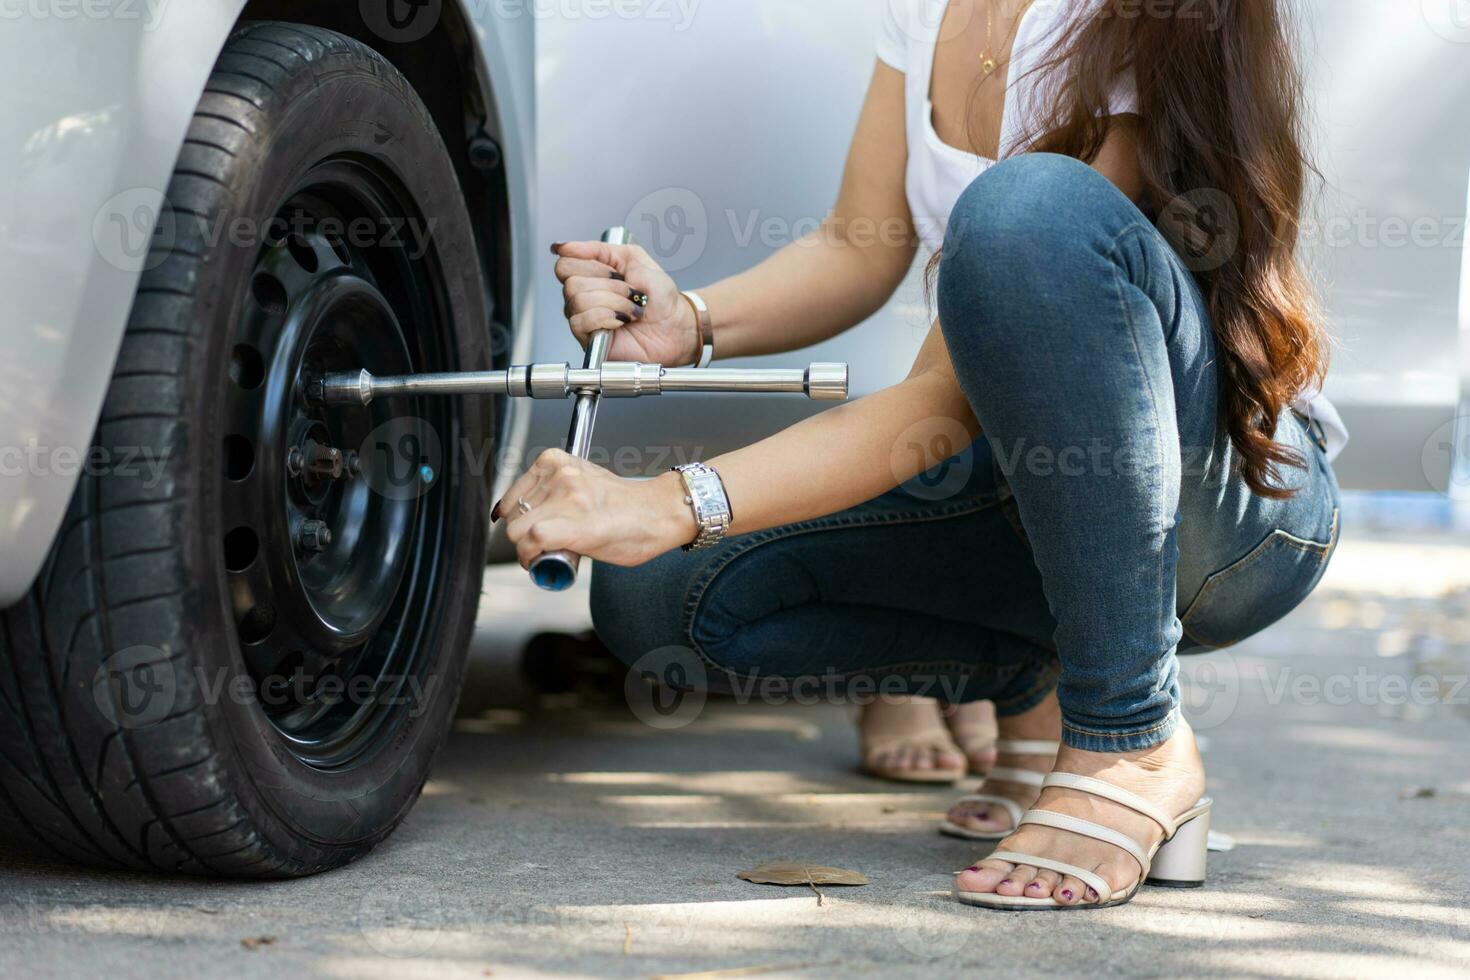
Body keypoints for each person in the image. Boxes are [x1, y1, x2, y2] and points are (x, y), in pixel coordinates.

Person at [496, 0, 1345, 910]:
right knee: (660, 593)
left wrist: (665, 498)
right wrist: (688, 323)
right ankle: (1042, 671)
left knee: (1024, 211)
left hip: (1225, 510)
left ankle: (1129, 733)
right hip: (1026, 500)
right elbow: (858, 247)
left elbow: (944, 399)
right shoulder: (922, 9)